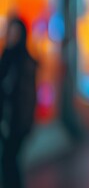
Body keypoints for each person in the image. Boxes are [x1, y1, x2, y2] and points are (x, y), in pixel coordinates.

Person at [0, 16, 38, 188]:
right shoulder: (6, 58)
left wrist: (24, 125)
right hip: (6, 121)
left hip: (16, 124)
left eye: (16, 33)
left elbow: (27, 97)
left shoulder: (24, 62)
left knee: (9, 161)